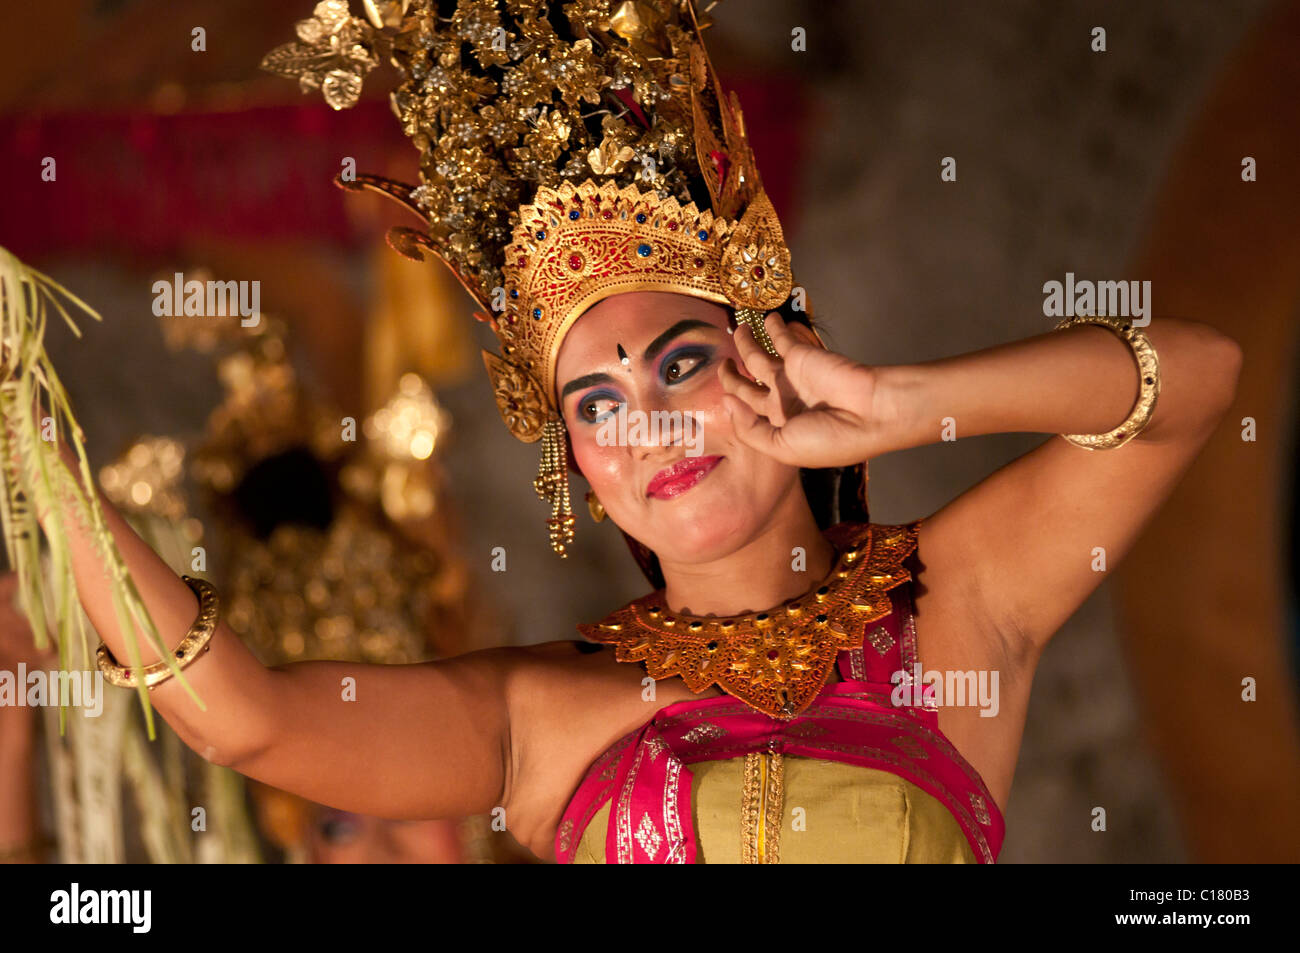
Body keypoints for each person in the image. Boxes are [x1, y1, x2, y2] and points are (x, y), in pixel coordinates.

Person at [26, 0, 1241, 863]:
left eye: (681, 363)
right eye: (596, 407)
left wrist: (907, 402)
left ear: (778, 351)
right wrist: (34, 444)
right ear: (578, 473)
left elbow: (1196, 376)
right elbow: (249, 717)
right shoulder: (542, 721)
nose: (649, 425)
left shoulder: (952, 606)